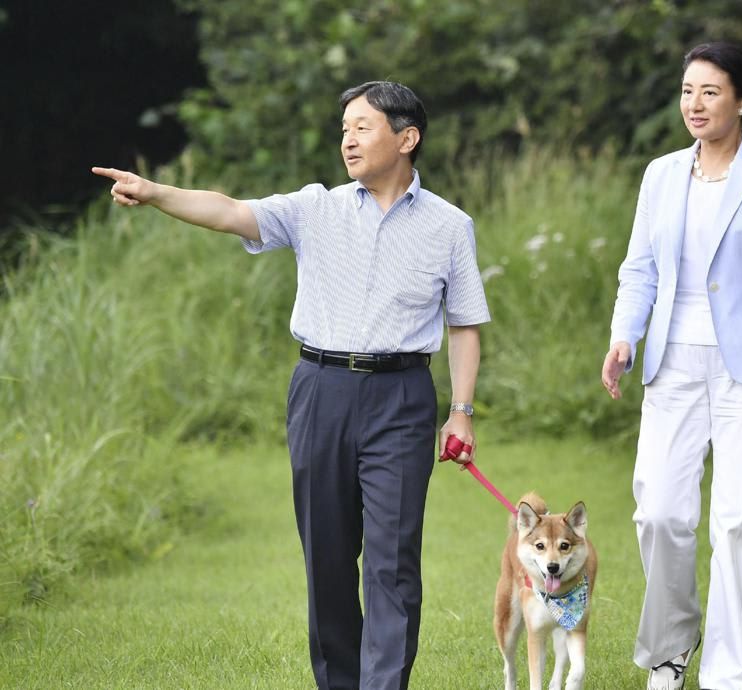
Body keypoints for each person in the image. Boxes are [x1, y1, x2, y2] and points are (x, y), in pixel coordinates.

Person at [92, 80, 490, 690]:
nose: (348, 140)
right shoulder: (315, 208)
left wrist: (460, 410)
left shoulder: (449, 226)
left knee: (392, 564)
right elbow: (229, 211)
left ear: (407, 138)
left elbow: (464, 324)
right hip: (320, 391)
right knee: (327, 560)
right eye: (344, 129)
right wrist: (154, 193)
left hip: (403, 398)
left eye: (363, 127)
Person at [601, 42, 742, 690]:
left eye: (711, 91)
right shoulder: (661, 174)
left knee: (739, 518)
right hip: (671, 362)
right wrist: (622, 337)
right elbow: (639, 269)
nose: (695, 103)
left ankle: (727, 671)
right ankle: (671, 647)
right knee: (658, 512)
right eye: (688, 90)